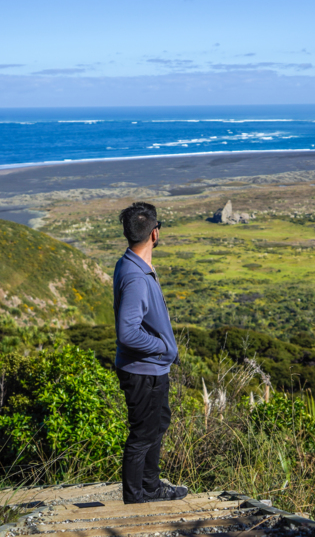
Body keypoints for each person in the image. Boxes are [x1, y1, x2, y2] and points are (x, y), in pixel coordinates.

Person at [114, 201, 187, 504]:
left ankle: (150, 488)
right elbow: (128, 332)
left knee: (156, 425)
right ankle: (136, 498)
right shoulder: (136, 278)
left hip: (150, 368)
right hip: (144, 370)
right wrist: (163, 347)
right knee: (143, 434)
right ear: (154, 234)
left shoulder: (129, 263)